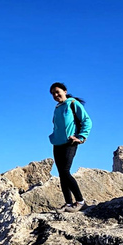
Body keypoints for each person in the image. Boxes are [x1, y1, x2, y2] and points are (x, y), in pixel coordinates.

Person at [49, 82, 92, 213]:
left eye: (57, 92)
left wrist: (81, 137)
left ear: (65, 91)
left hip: (70, 143)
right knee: (62, 174)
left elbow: (87, 121)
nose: (56, 95)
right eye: (53, 94)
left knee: (65, 171)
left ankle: (80, 202)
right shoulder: (57, 108)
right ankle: (68, 203)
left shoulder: (73, 103)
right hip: (57, 144)